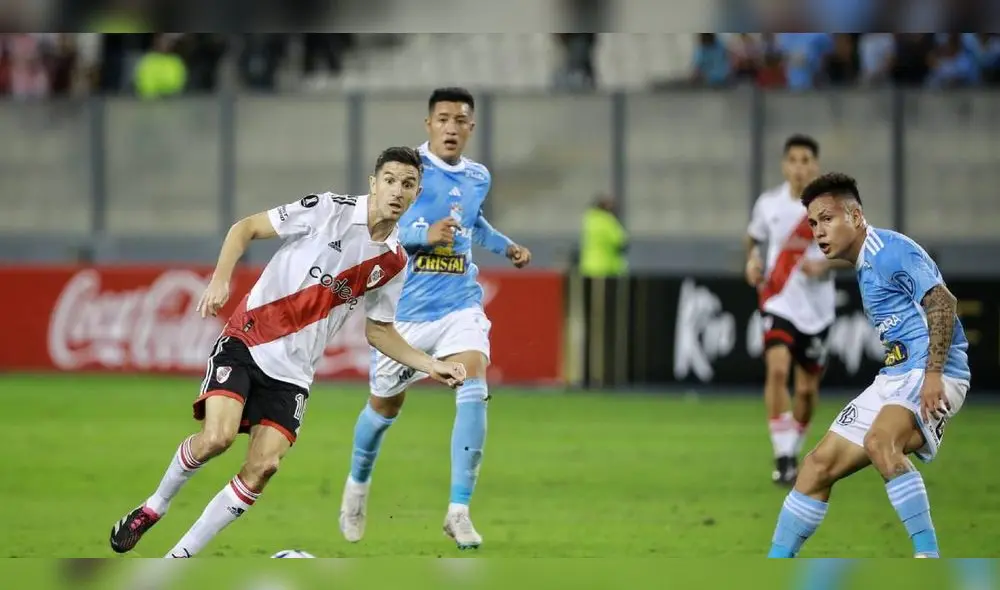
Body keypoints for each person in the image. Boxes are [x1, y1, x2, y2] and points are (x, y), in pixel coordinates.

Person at [108, 146, 467, 558]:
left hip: (294, 374)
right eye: (390, 180)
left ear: (417, 193)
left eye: (407, 184)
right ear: (374, 183)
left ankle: (179, 558)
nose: (397, 191)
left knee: (264, 467)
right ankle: (154, 506)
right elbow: (244, 228)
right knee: (217, 438)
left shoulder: (394, 262)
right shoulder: (329, 209)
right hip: (249, 340)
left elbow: (380, 331)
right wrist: (221, 280)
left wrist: (432, 365)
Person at [338, 87, 532, 550]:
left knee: (473, 381)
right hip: (402, 314)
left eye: (460, 120)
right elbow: (378, 225)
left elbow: (473, 222)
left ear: (471, 127)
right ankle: (357, 486)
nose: (451, 127)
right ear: (429, 124)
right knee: (384, 409)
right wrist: (425, 235)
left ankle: (458, 510)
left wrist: (505, 246)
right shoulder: (407, 172)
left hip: (458, 303)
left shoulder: (478, 176)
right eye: (443, 118)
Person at [767, 172, 970, 558]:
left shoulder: (889, 250)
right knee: (816, 467)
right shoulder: (864, 263)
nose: (818, 231)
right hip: (896, 375)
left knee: (880, 441)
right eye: (813, 223)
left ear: (856, 216)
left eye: (827, 219)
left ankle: (928, 559)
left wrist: (933, 375)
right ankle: (773, 568)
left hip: (932, 370)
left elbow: (943, 302)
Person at [745, 134, 844, 485]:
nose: (799, 167)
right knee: (776, 370)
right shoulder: (768, 204)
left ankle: (792, 449)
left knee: (805, 390)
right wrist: (752, 261)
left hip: (817, 310)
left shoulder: (832, 207)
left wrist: (826, 266)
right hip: (778, 300)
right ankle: (783, 455)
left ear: (815, 166)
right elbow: (753, 239)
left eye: (806, 160)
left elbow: (854, 253)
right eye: (793, 160)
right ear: (784, 166)